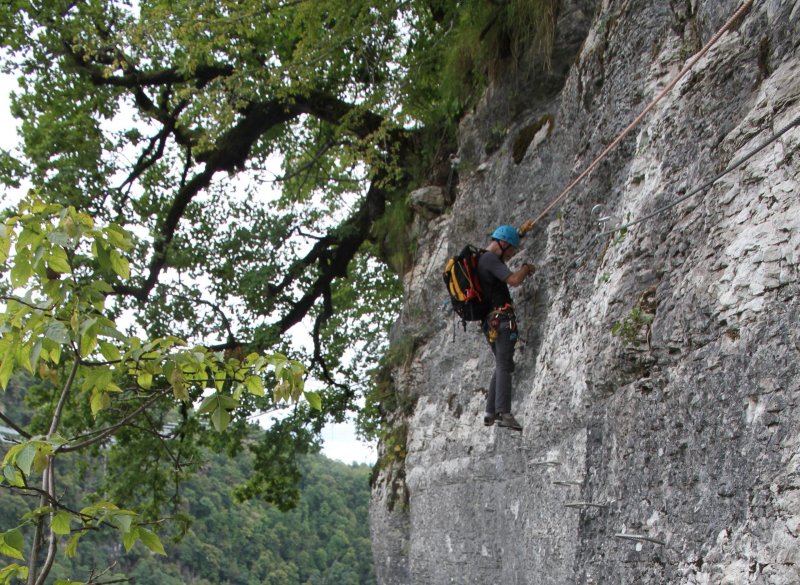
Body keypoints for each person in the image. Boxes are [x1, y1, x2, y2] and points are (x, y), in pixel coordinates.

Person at [477, 225, 534, 431]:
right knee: (503, 364)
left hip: (490, 322)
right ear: (502, 243)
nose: (511, 255)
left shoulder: (482, 259)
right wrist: (527, 268)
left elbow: (502, 257)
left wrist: (519, 234)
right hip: (502, 320)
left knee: (503, 363)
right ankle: (504, 412)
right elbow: (514, 280)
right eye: (510, 250)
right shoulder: (490, 260)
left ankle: (490, 412)